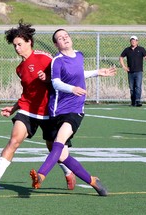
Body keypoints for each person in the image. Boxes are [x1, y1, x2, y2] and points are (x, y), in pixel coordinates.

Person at [0, 20, 76, 196]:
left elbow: (61, 77)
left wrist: (47, 77)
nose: (17, 48)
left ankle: (68, 172)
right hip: (27, 109)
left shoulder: (45, 58)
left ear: (29, 42)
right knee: (14, 140)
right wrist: (14, 108)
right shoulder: (20, 68)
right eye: (15, 45)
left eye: (20, 44)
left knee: (53, 148)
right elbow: (27, 93)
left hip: (49, 110)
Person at [30, 29, 116, 196]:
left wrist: (97, 72)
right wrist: (72, 88)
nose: (64, 39)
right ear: (56, 44)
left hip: (75, 110)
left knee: (59, 142)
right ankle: (92, 180)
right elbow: (56, 83)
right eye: (60, 38)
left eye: (66, 36)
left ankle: (40, 175)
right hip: (57, 110)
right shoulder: (57, 61)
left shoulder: (79, 55)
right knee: (62, 156)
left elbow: (78, 74)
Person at [119, 35, 146, 107]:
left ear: (137, 41)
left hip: (139, 71)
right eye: (132, 40)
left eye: (134, 40)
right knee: (131, 88)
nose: (133, 42)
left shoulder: (141, 49)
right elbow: (121, 57)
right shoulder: (127, 50)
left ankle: (138, 101)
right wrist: (124, 67)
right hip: (130, 72)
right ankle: (133, 102)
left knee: (138, 86)